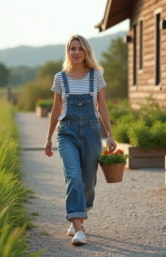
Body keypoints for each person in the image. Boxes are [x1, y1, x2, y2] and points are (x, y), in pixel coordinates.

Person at [44, 34, 116, 245]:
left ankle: (78, 213)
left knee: (88, 181)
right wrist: (48, 138)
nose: (76, 52)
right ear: (68, 52)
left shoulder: (96, 76)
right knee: (73, 176)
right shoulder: (60, 78)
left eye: (80, 49)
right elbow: (56, 109)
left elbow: (102, 107)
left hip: (92, 132)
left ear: (86, 52)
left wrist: (110, 134)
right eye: (72, 48)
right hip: (67, 133)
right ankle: (79, 228)